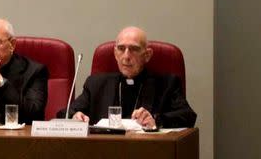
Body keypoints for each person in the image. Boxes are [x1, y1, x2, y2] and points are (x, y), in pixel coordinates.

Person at [59, 26, 196, 128]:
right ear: (115, 53)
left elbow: (188, 116)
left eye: (134, 49)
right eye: (121, 48)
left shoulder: (167, 84)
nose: (126, 56)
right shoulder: (96, 84)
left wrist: (156, 120)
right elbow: (64, 113)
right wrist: (74, 117)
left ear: (147, 55)